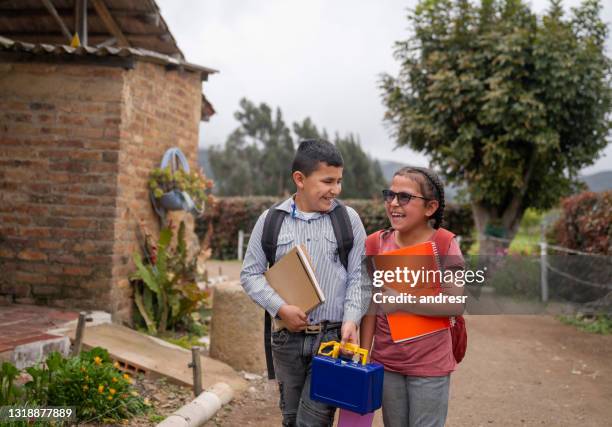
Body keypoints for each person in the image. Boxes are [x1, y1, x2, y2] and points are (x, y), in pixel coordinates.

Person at [240, 139, 370, 427]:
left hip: (332, 340)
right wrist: (280, 308)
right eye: (327, 181)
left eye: (339, 181)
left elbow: (359, 278)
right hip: (286, 341)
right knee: (290, 420)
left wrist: (351, 320)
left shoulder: (348, 220)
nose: (335, 190)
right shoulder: (270, 221)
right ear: (299, 179)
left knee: (312, 423)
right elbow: (249, 275)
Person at [360, 166, 465, 427]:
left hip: (431, 364)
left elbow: (455, 303)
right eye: (390, 195)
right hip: (387, 363)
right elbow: (371, 305)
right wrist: (364, 354)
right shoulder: (375, 244)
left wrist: (402, 301)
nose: (394, 203)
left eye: (404, 197)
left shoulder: (444, 245)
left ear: (430, 207)